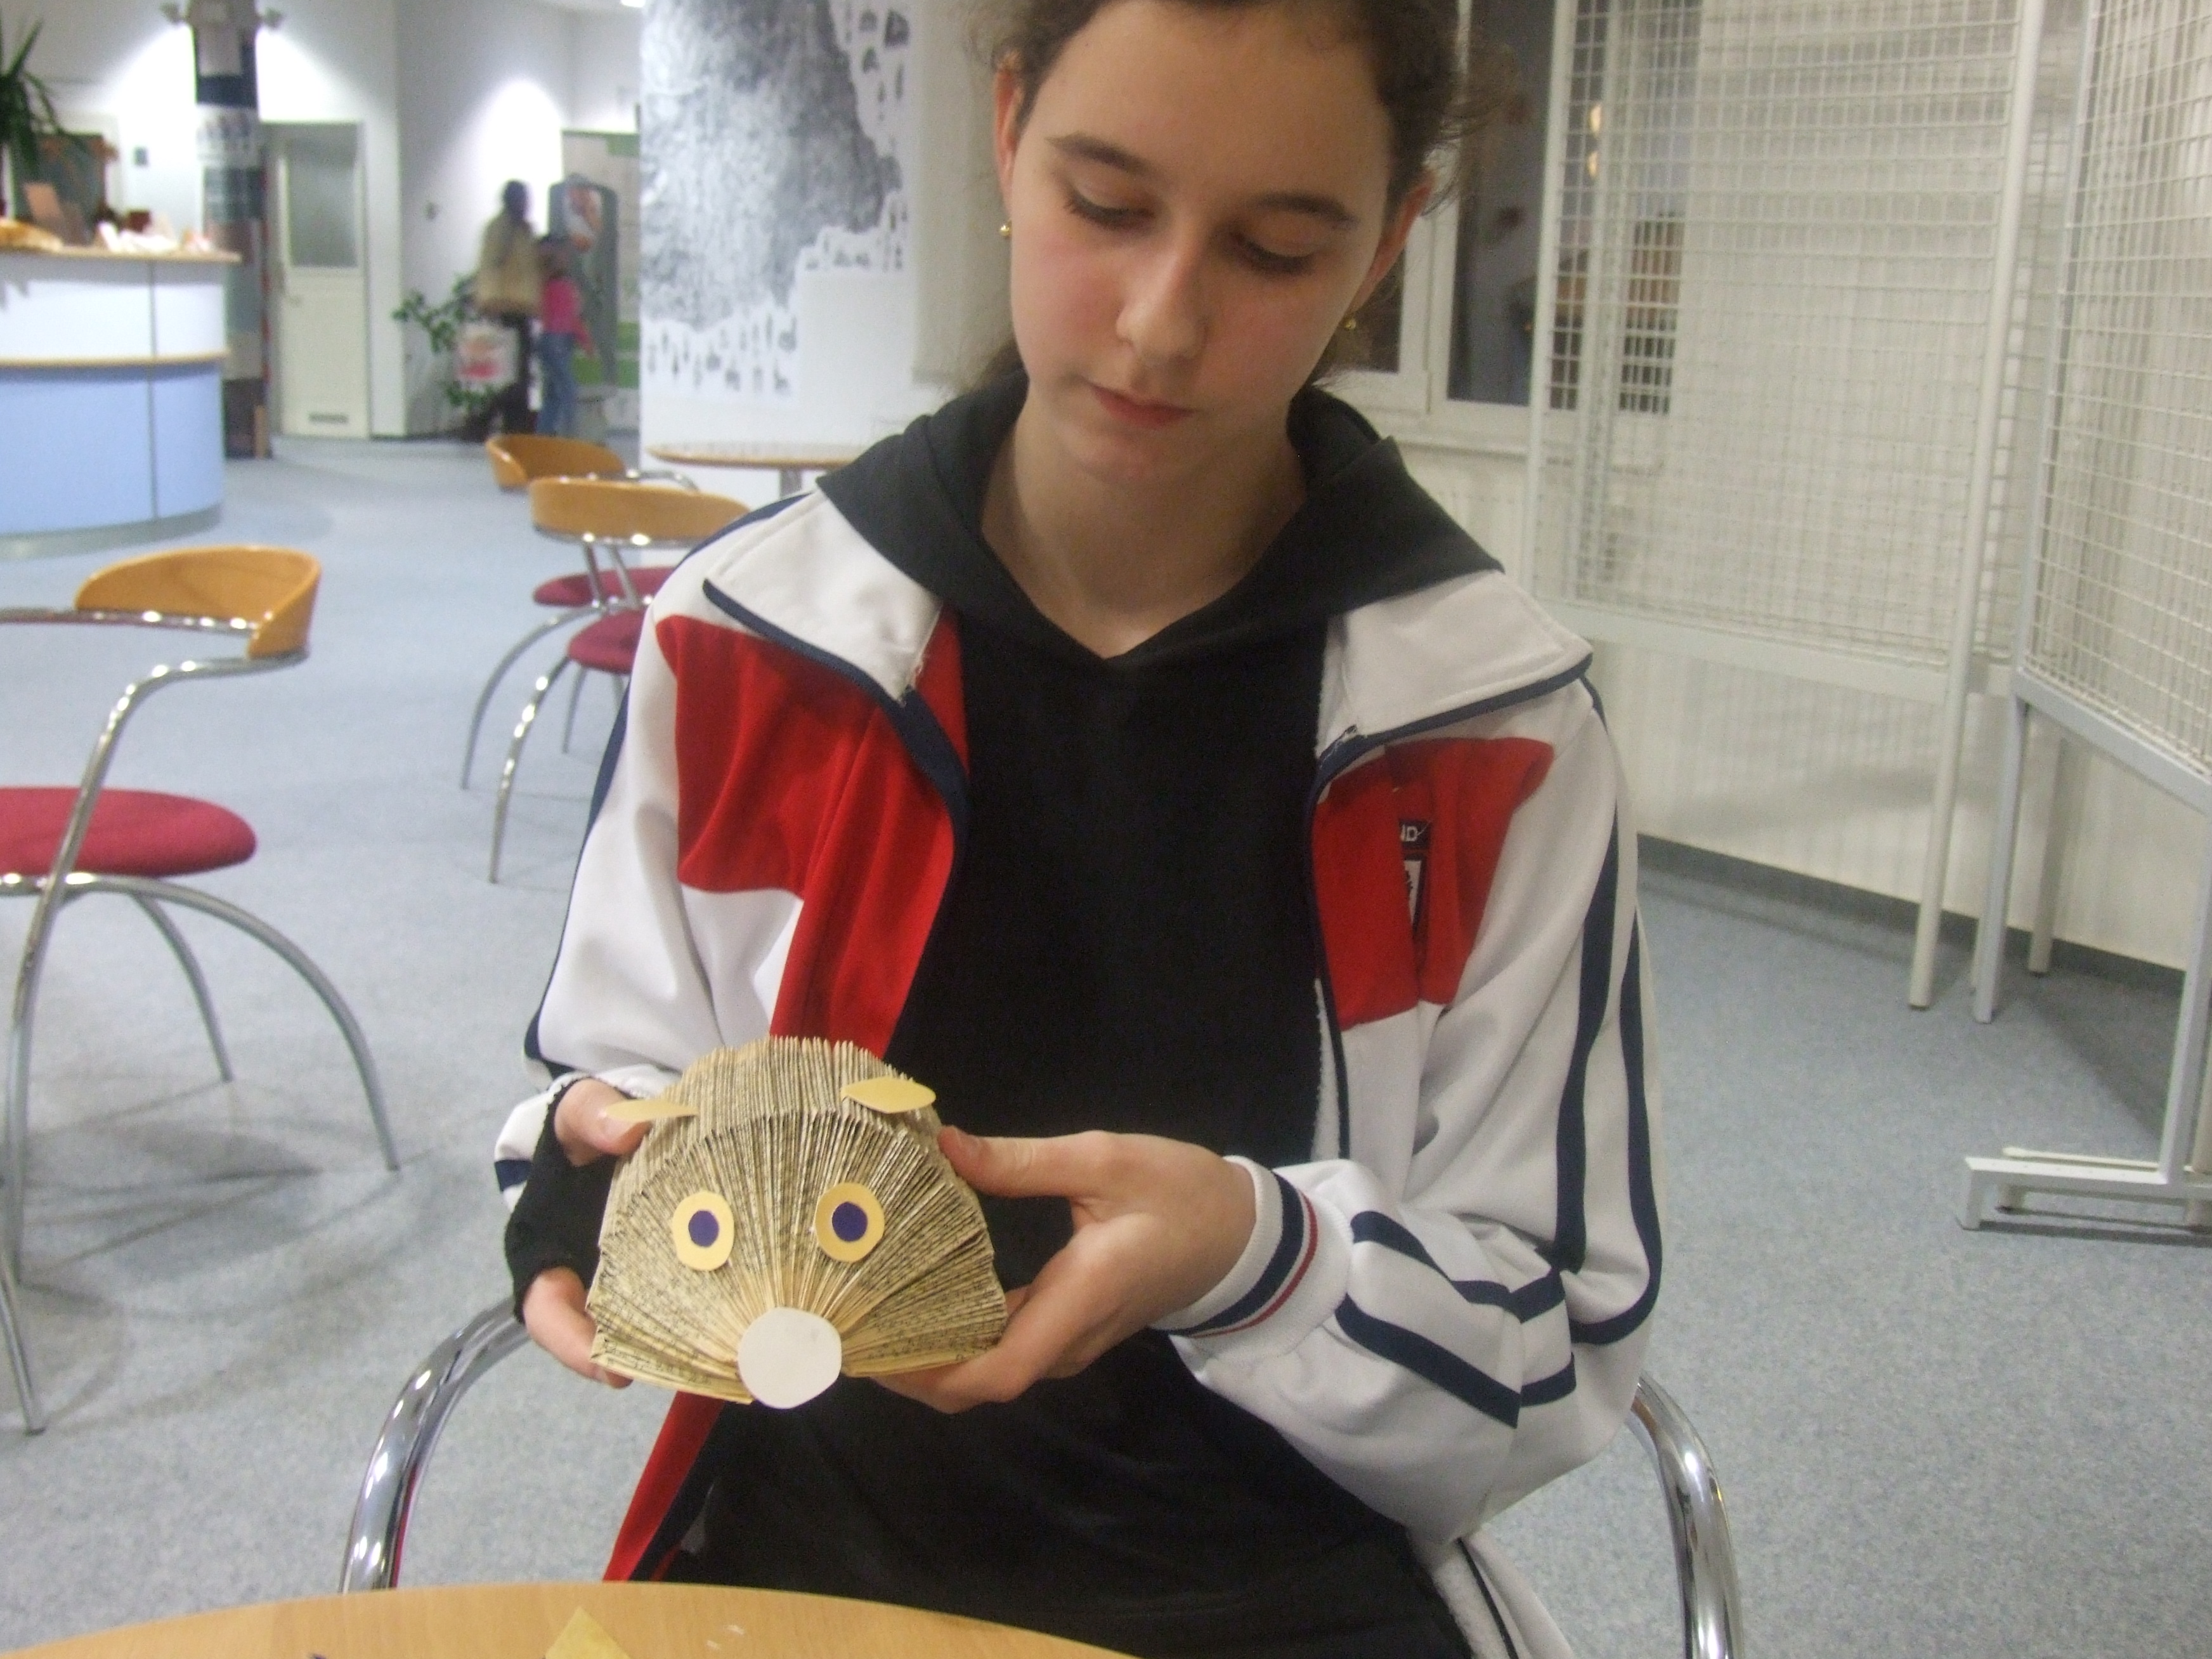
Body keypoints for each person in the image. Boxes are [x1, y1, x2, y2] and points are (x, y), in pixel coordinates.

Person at [497, 3, 1658, 1655]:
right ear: (1008, 131)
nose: (1160, 324)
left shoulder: (1494, 730)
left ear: (1391, 238)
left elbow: (1557, 1337)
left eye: (1273, 250)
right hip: (802, 1559)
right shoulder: (754, 643)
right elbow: (613, 1079)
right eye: (1105, 206)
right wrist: (581, 1177)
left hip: (1281, 1587)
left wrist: (1255, 1256)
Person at [473, 179, 542, 434]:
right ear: (511, 200)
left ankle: (512, 427)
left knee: (519, 374)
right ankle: (484, 422)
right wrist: (489, 300)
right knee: (513, 375)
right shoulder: (500, 229)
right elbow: (490, 266)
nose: (527, 204)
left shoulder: (524, 230)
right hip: (506, 308)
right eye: (523, 199)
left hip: (523, 309)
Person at [536, 236, 592, 438]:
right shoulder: (564, 286)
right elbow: (571, 318)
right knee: (569, 390)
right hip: (560, 341)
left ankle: (544, 434)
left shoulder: (543, 284)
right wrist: (586, 341)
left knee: (552, 393)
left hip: (546, 340)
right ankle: (570, 435)